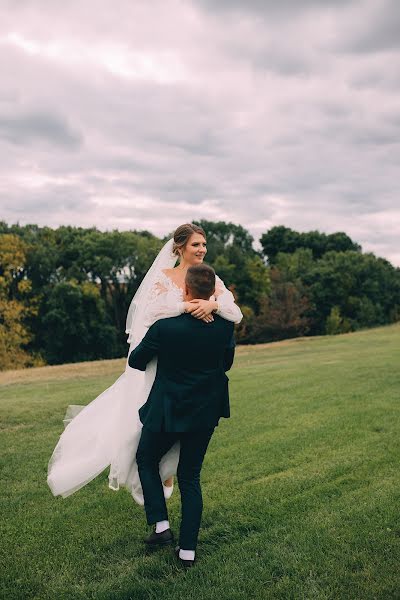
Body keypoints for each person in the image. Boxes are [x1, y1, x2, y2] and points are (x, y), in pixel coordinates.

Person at [47, 223, 242, 503]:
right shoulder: (163, 278)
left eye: (204, 244)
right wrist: (184, 306)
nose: (202, 250)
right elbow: (148, 315)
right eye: (196, 244)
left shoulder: (210, 277)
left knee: (180, 428)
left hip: (193, 366)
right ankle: (146, 478)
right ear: (180, 247)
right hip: (163, 365)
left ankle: (164, 476)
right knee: (148, 425)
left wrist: (214, 305)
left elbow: (235, 312)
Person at [129, 263, 235, 568]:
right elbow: (225, 364)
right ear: (213, 292)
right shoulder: (226, 327)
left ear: (186, 291)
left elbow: (137, 361)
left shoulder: (165, 326)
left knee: (146, 459)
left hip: (167, 408)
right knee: (190, 477)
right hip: (205, 410)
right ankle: (187, 552)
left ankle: (161, 527)